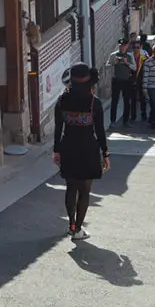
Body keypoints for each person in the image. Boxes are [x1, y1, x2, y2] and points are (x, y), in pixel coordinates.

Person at [52, 63, 109, 242]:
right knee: (84, 190)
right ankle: (78, 229)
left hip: (68, 146)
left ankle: (71, 225)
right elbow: (100, 131)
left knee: (71, 187)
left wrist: (56, 150)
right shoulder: (95, 103)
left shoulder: (62, 100)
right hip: (88, 149)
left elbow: (58, 128)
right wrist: (105, 153)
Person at [106, 39, 137, 126]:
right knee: (114, 101)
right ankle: (112, 121)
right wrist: (114, 62)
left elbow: (134, 68)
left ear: (127, 46)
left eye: (124, 46)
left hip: (127, 80)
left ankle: (125, 121)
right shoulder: (113, 55)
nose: (122, 47)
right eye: (120, 46)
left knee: (127, 101)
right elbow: (107, 66)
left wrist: (127, 63)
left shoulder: (130, 56)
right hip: (116, 80)